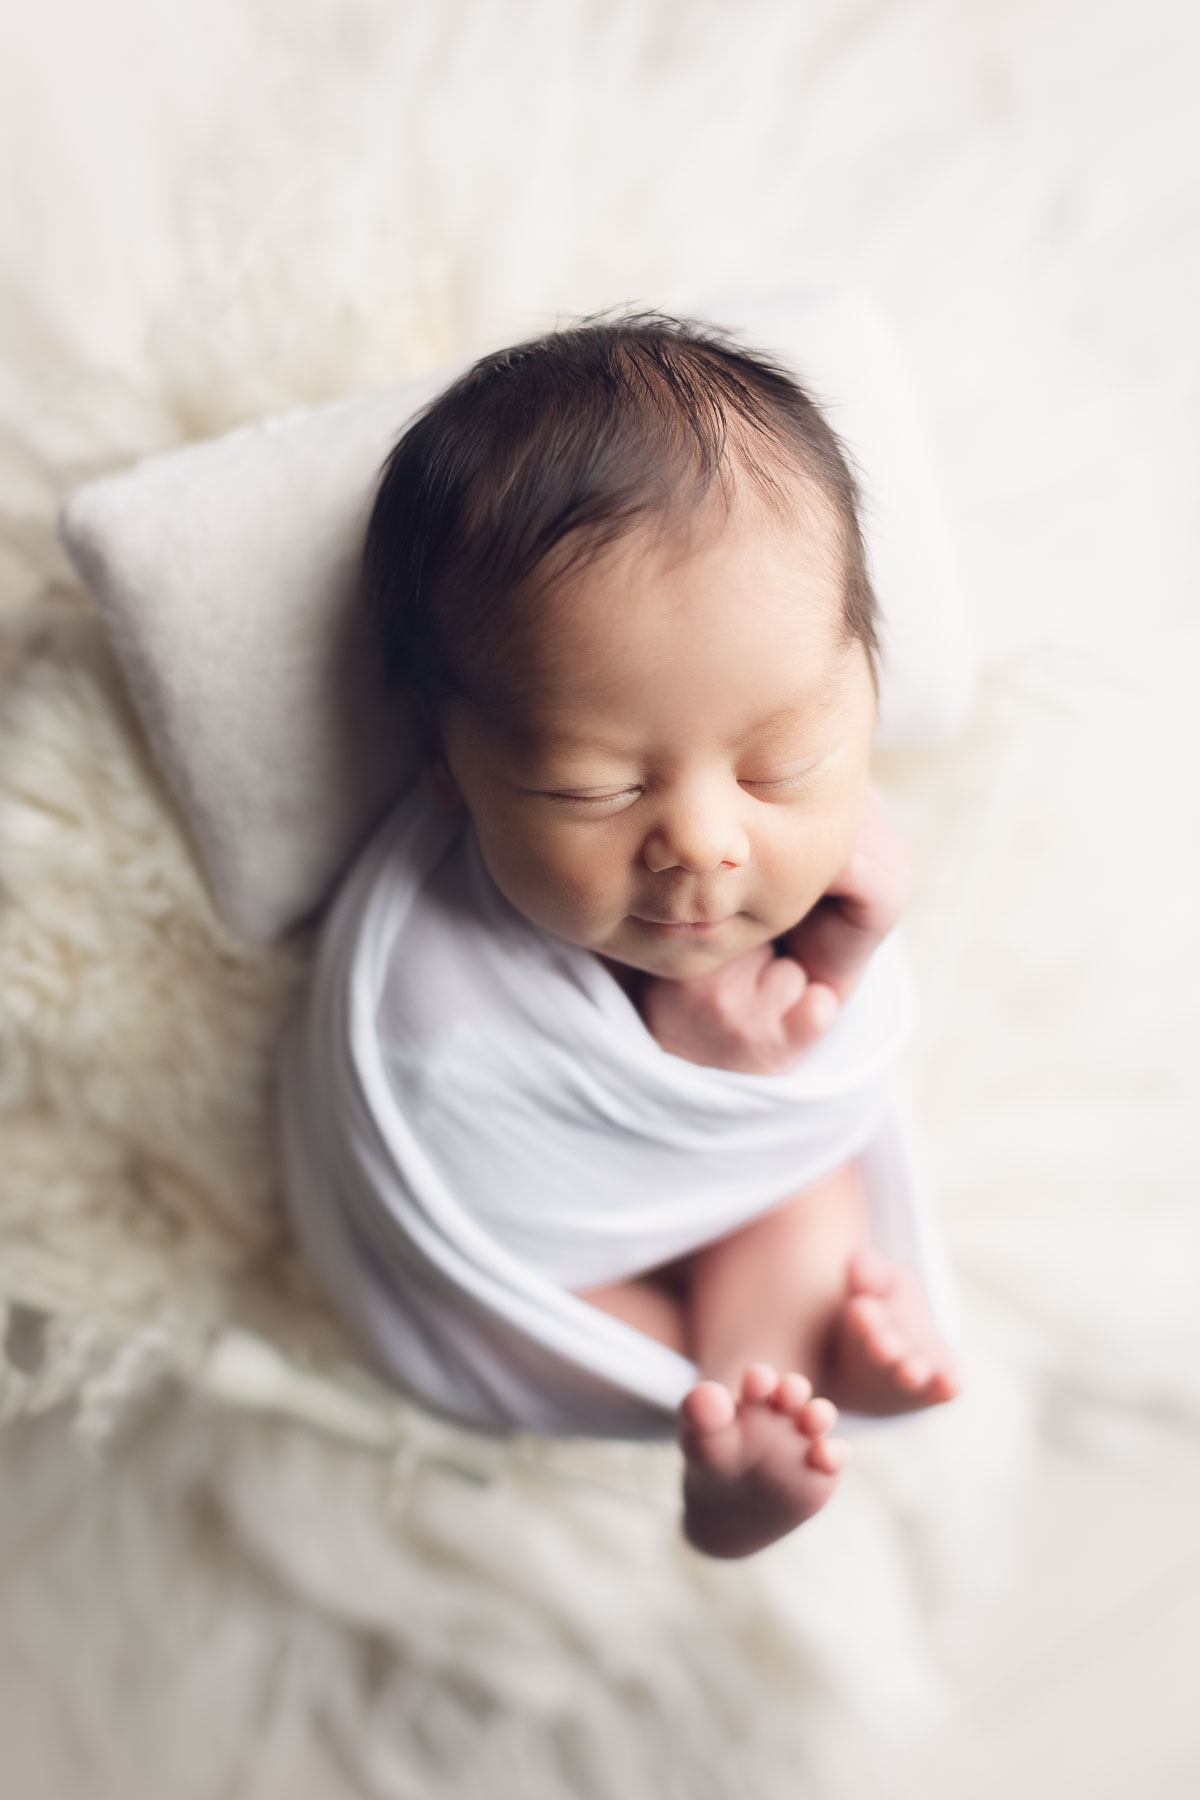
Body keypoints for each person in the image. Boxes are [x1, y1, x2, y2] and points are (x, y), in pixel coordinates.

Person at [283, 314, 958, 1560]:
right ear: (447, 762)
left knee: (804, 1187)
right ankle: (721, 1418)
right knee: (564, 1312)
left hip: (744, 1179)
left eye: (782, 764)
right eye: (594, 789)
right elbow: (445, 1198)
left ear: (867, 687)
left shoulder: (840, 853)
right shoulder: (436, 998)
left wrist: (839, 968)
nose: (703, 844)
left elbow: (832, 1087)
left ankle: (782, 1387)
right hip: (540, 1261)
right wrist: (698, 1061)